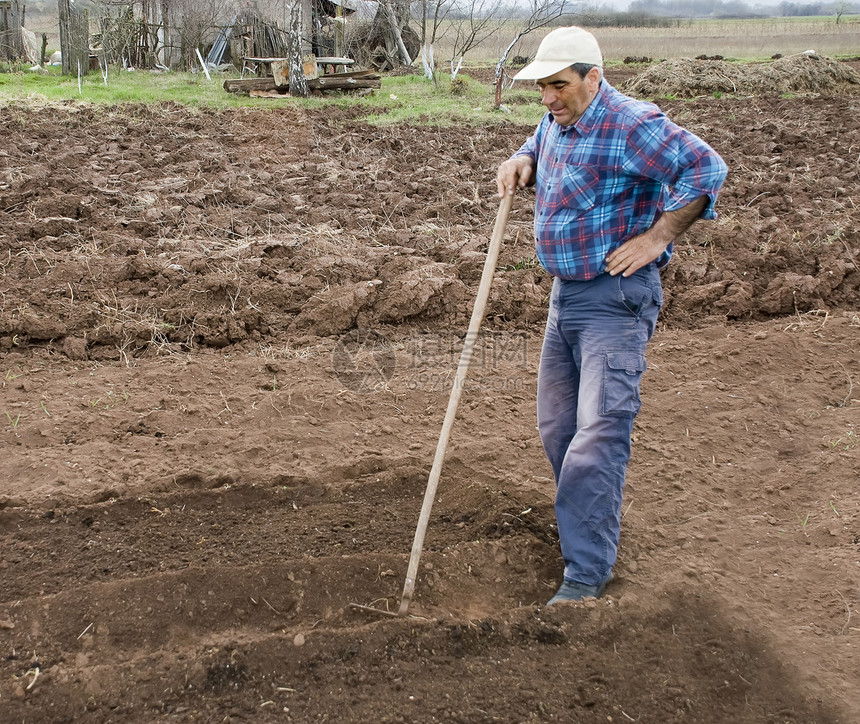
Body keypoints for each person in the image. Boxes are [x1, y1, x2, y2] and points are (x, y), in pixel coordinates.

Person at [496, 27, 728, 605]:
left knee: (597, 433)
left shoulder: (629, 124)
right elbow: (542, 135)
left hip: (615, 302)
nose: (548, 98)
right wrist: (523, 157)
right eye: (542, 88)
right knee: (558, 428)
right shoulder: (559, 118)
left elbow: (705, 167)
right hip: (565, 296)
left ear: (592, 78)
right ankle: (585, 531)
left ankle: (585, 573)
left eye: (559, 85)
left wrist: (659, 236)